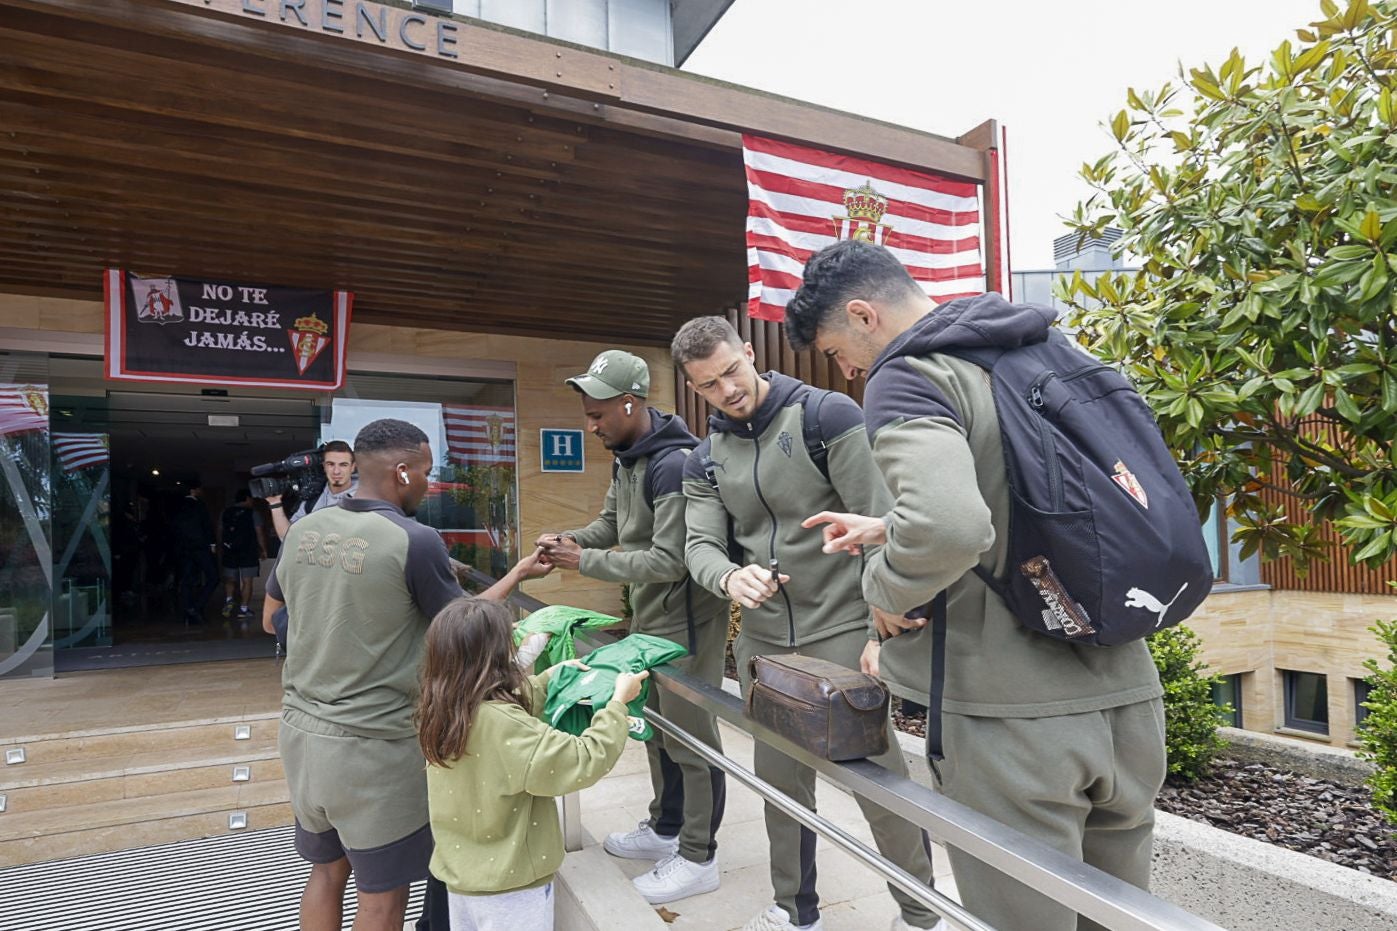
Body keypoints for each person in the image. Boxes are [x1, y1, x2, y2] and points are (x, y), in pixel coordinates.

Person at [784, 239, 1167, 931]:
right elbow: (1035, 504)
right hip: (1126, 698)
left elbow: (953, 527)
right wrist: (887, 525)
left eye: (840, 352)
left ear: (864, 315)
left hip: (1008, 718)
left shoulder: (909, 376)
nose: (847, 370)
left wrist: (884, 588)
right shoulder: (1055, 350)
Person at [671, 317, 940, 931]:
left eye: (732, 372)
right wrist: (728, 577)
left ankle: (923, 915)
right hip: (765, 644)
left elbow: (880, 520)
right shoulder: (705, 458)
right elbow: (701, 546)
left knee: (878, 783)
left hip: (841, 629)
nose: (727, 391)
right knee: (779, 783)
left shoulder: (827, 417)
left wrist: (880, 632)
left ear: (748, 352)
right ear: (693, 386)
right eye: (709, 386)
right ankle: (795, 911)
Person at [264, 418, 552, 931]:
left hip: (301, 738)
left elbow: (273, 618)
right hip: (373, 750)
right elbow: (464, 629)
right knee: (381, 896)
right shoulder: (414, 541)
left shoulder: (304, 530)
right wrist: (518, 573)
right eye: (424, 471)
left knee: (326, 875)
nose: (428, 482)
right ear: (401, 472)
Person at [536, 350, 729, 905]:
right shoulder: (628, 455)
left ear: (630, 402)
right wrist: (568, 539)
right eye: (588, 414)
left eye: (598, 415)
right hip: (650, 615)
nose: (590, 426)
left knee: (693, 739)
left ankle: (699, 856)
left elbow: (670, 560)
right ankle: (665, 827)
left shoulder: (674, 464)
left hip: (686, 621)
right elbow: (612, 525)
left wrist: (584, 563)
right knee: (655, 729)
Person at [418, 596, 647, 931]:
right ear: (496, 657)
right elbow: (582, 759)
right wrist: (617, 705)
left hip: (460, 879)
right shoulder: (505, 727)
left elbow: (499, 713)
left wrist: (549, 678)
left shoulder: (441, 708)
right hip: (510, 892)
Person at [266, 439, 356, 541]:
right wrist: (275, 503)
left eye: (343, 465)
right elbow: (288, 538)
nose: (336, 471)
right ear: (324, 467)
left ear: (353, 467)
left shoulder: (366, 497)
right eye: (330, 464)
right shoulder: (314, 500)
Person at [169, 481, 218, 624]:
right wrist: (212, 544)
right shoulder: (199, 505)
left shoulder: (177, 507)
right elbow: (207, 525)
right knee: (213, 577)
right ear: (193, 490)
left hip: (183, 549)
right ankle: (197, 606)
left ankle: (188, 609)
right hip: (200, 547)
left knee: (187, 580)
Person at [219, 488, 267, 621]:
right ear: (247, 498)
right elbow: (259, 533)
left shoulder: (225, 512)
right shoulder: (253, 513)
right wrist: (263, 549)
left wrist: (220, 547)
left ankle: (229, 601)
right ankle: (243, 609)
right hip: (248, 551)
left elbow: (221, 531)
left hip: (229, 550)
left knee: (230, 579)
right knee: (247, 581)